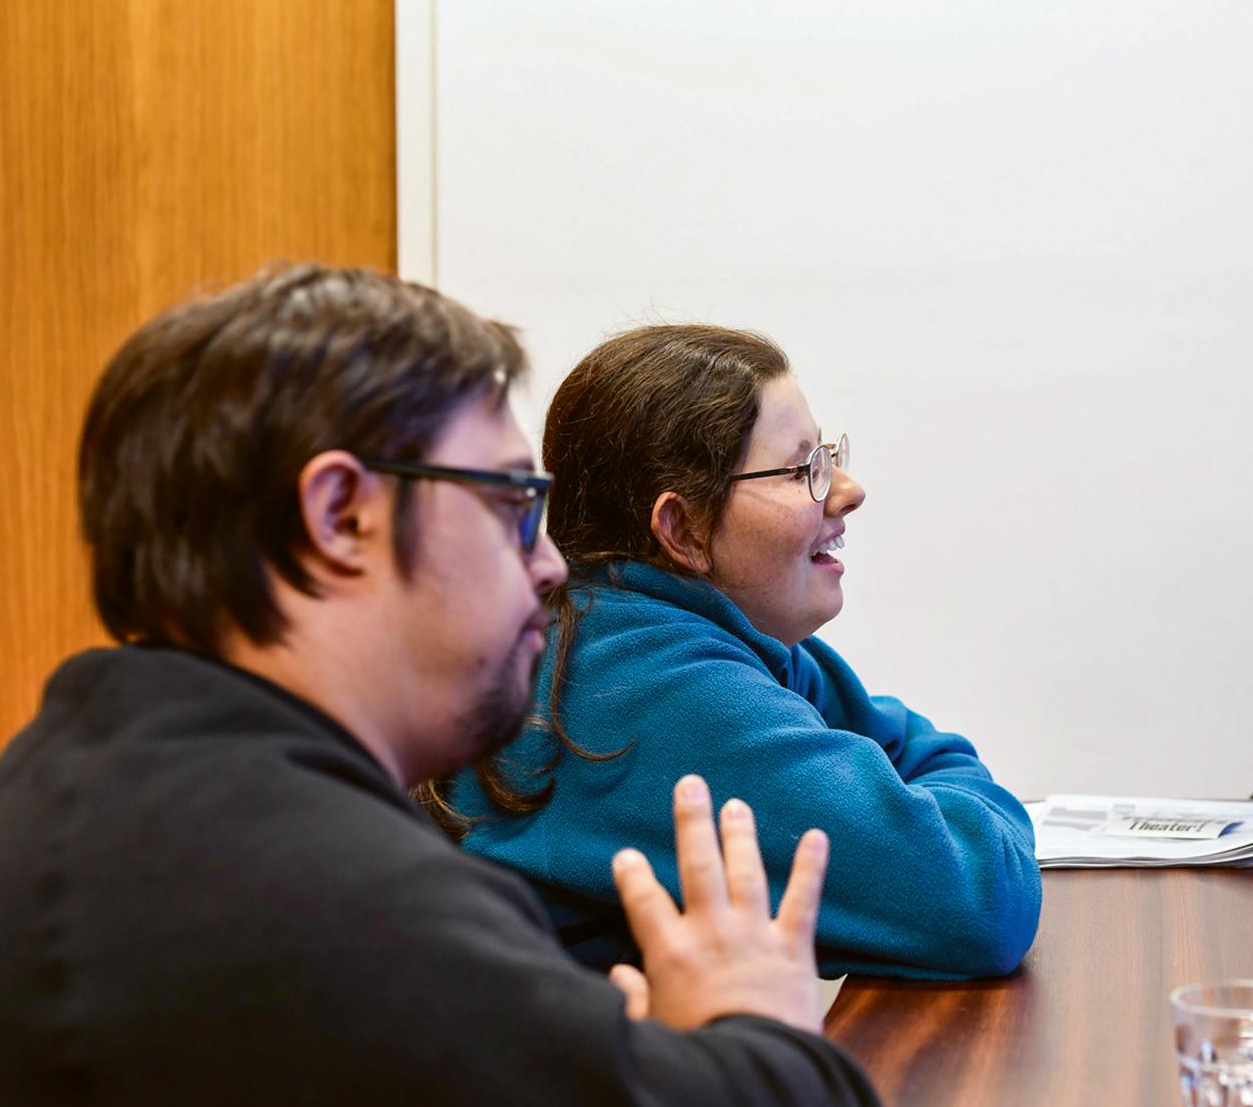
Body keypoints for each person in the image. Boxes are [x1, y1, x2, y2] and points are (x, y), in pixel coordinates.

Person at [0, 267, 887, 1107]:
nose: (548, 564)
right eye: (510, 506)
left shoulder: (100, 772)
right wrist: (753, 1011)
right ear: (341, 516)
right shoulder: (292, 884)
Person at [439, 325, 1041, 979]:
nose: (846, 490)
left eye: (830, 456)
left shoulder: (675, 630)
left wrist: (920, 790)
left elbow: (897, 747)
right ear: (683, 528)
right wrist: (941, 797)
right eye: (804, 469)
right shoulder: (652, 689)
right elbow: (980, 897)